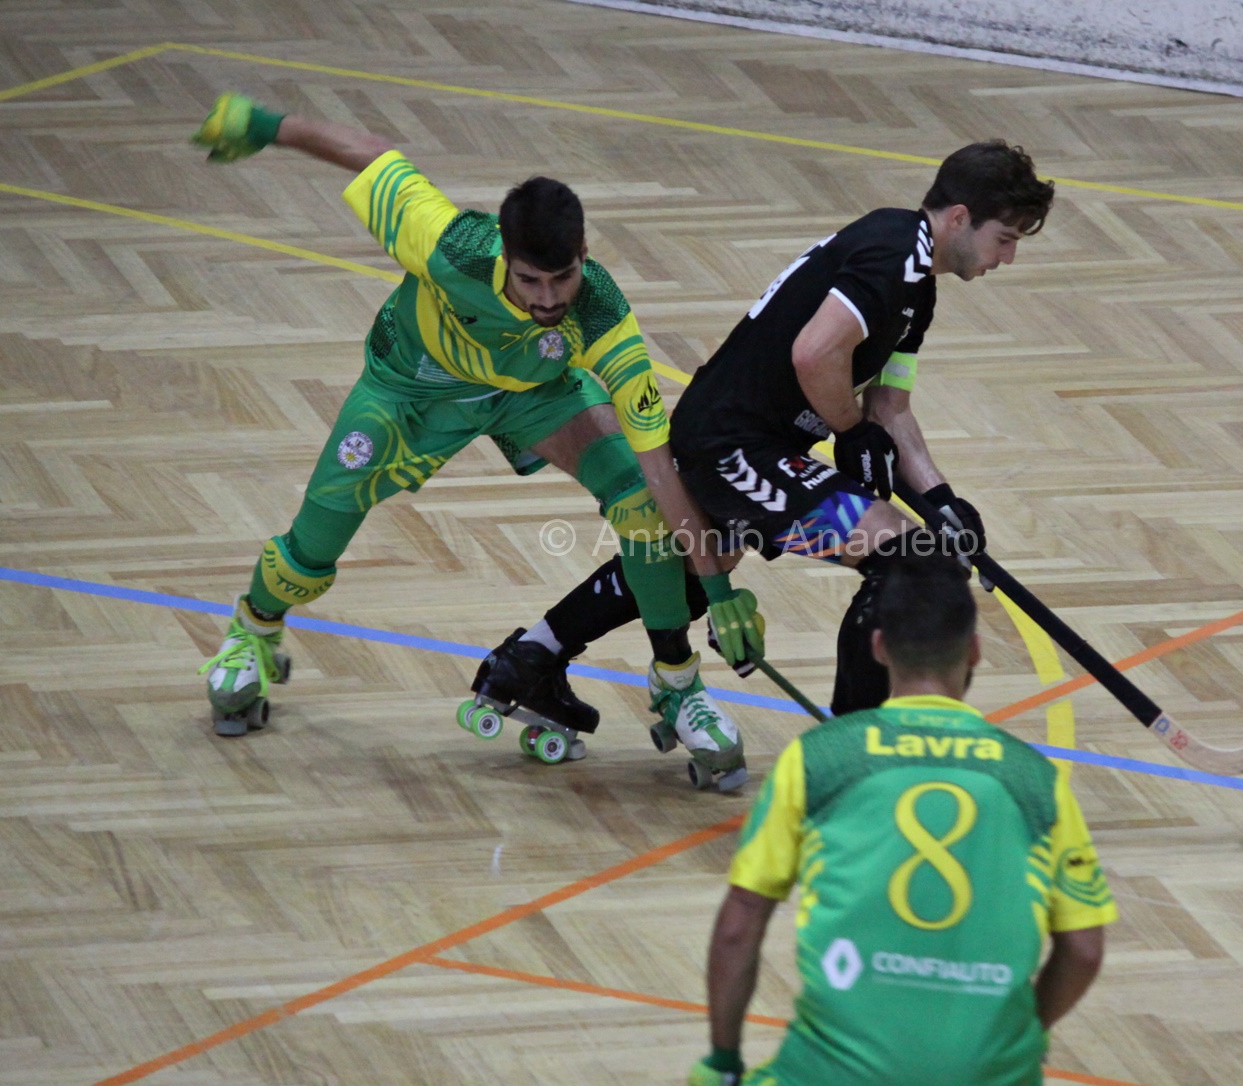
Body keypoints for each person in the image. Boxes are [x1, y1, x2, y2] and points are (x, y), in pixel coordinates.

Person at [188, 94, 764, 789]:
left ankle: (676, 682)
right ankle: (254, 629)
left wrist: (717, 588)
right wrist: (267, 127)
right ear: (504, 256)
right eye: (530, 280)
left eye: (563, 277)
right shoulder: (449, 244)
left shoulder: (603, 314)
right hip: (409, 394)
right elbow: (371, 155)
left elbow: (660, 465)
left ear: (584, 255)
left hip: (533, 396)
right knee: (316, 539)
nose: (548, 298)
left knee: (641, 500)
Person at [539, 141, 1054, 716]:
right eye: (1004, 239)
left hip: (755, 445)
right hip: (730, 446)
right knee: (905, 561)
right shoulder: (895, 251)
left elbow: (890, 409)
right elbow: (815, 353)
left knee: (690, 568)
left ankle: (531, 657)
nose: (1008, 257)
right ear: (959, 218)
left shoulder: (917, 287)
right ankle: (850, 743)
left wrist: (942, 501)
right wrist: (850, 432)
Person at [691, 556, 1116, 1085]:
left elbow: (740, 926)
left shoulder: (820, 759)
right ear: (974, 650)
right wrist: (1025, 1030)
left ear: (878, 647)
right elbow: (1084, 950)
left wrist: (723, 1063)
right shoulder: (1034, 779)